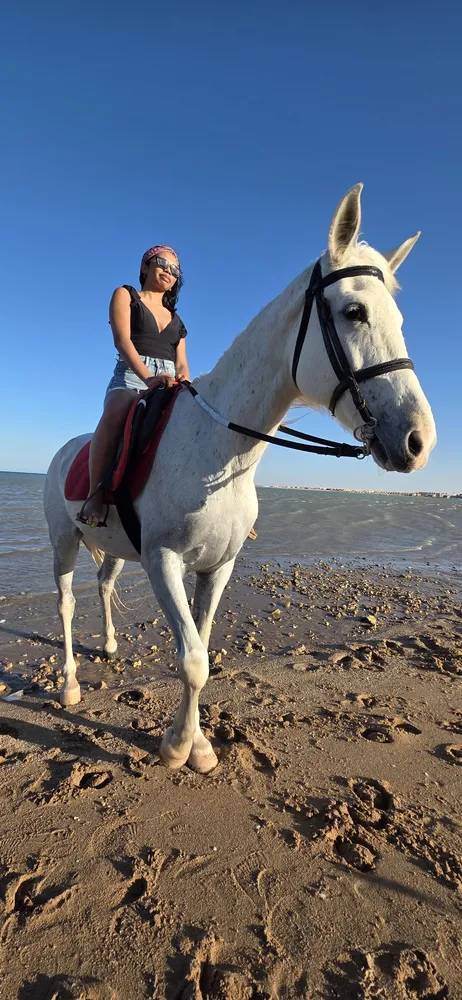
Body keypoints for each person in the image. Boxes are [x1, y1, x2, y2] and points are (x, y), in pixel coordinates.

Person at [77, 245, 190, 527]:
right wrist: (148, 378)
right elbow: (122, 341)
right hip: (131, 375)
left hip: (169, 381)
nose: (169, 271)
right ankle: (95, 493)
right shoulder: (126, 295)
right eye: (162, 263)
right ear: (145, 266)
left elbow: (182, 363)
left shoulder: (178, 321)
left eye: (175, 270)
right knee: (117, 409)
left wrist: (184, 380)